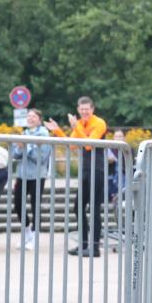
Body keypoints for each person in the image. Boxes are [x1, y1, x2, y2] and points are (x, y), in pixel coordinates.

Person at [47, 96, 108, 257]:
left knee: (94, 208)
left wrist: (77, 127)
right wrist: (57, 131)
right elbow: (72, 145)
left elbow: (89, 145)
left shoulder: (99, 123)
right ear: (78, 110)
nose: (84, 112)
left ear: (92, 109)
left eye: (87, 109)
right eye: (82, 110)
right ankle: (84, 244)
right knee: (78, 207)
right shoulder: (80, 124)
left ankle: (94, 248)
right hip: (86, 169)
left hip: (97, 169)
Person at [12, 109, 52, 250]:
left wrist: (26, 147)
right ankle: (27, 232)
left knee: (35, 205)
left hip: (37, 175)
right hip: (22, 174)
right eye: (28, 116)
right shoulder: (24, 134)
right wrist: (20, 148)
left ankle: (35, 238)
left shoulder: (44, 135)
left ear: (39, 119)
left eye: (33, 116)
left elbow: (41, 157)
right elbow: (15, 154)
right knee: (17, 203)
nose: (30, 118)